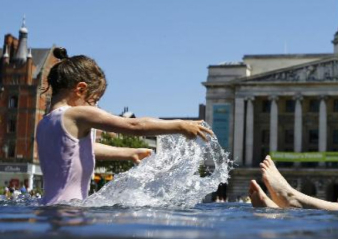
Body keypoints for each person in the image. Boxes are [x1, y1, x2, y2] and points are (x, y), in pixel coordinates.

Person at [36, 47, 213, 205]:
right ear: (80, 90)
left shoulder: (45, 122)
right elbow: (133, 125)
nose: (95, 107)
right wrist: (180, 125)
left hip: (49, 209)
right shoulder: (77, 114)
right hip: (70, 213)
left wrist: (128, 153)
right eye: (95, 100)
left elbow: (77, 150)